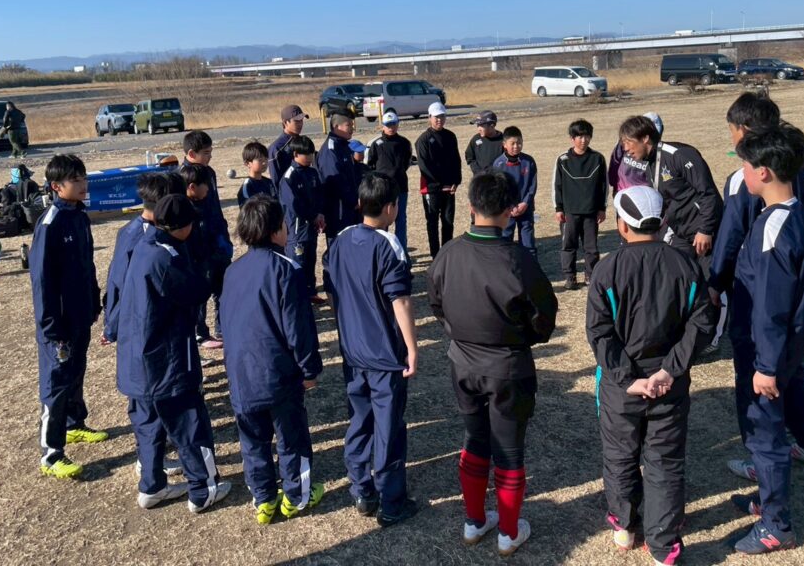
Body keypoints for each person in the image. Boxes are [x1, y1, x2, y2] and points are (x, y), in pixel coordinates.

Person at [427, 171, 557, 556]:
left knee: (474, 438)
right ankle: (508, 532)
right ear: (510, 211)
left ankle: (474, 521)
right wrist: (523, 337)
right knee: (509, 450)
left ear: (470, 207)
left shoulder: (448, 253)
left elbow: (436, 303)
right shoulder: (518, 259)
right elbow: (544, 316)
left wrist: (457, 331)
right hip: (508, 368)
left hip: (463, 364)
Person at [587, 185, 715, 565]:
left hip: (621, 387)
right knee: (664, 461)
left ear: (621, 225)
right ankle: (664, 545)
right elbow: (702, 323)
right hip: (668, 385)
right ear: (663, 223)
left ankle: (624, 526)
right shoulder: (686, 265)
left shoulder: (607, 269)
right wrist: (670, 369)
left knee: (620, 455)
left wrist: (629, 378)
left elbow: (599, 333)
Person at [724, 126, 804, 555]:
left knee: (766, 435)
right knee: (767, 431)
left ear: (763, 172)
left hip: (767, 353)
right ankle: (767, 498)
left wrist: (765, 366)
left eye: (745, 165)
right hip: (780, 348)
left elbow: (771, 306)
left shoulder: (774, 228)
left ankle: (776, 525)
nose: (742, 173)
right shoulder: (794, 211)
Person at [118, 194, 231, 513]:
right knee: (189, 421)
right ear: (181, 226)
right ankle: (204, 488)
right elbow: (196, 291)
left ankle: (152, 485)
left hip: (137, 359)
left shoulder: (146, 246)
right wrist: (211, 267)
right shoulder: (165, 259)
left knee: (149, 424)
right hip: (165, 360)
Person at [219, 195, 325, 525]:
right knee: (291, 438)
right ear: (277, 229)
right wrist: (309, 368)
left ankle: (263, 498)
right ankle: (296, 496)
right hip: (278, 374)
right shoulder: (286, 269)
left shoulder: (232, 271)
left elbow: (225, 323)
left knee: (253, 440)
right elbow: (298, 328)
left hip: (241, 373)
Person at [323, 172, 420, 527]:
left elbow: (331, 290)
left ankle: (361, 488)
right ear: (391, 208)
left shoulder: (340, 240)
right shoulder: (388, 245)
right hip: (384, 355)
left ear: (360, 203)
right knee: (388, 426)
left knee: (360, 419)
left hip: (352, 351)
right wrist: (412, 347)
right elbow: (401, 301)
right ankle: (391, 501)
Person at [29, 154, 107, 479]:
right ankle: (51, 453)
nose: (83, 184)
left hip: (79, 316)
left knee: (76, 372)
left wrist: (92, 302)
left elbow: (87, 265)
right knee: (57, 383)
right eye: (75, 180)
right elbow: (42, 281)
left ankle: (75, 424)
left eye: (84, 178)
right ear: (56, 186)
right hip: (58, 324)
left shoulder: (80, 216)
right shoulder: (51, 224)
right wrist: (51, 325)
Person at [708, 94, 784, 353]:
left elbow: (730, 234)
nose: (731, 137)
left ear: (744, 129)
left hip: (751, 282)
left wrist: (716, 281)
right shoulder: (795, 168)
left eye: (731, 130)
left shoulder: (743, 179)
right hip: (792, 278)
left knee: (749, 345)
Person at [618, 115, 722, 261]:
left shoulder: (679, 155)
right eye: (623, 143)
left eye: (628, 142)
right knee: (674, 267)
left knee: (706, 274)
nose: (626, 149)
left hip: (704, 232)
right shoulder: (649, 163)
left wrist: (705, 230)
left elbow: (708, 193)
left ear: (645, 138)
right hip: (681, 233)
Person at [102, 172, 186, 345]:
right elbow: (121, 283)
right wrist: (112, 328)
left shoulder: (132, 230)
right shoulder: (145, 239)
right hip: (145, 324)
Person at [181, 131, 232, 348]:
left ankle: (223, 327)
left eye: (211, 152)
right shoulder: (182, 177)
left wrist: (223, 234)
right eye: (206, 153)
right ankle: (200, 332)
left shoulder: (209, 173)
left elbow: (215, 206)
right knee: (201, 288)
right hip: (197, 244)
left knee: (223, 285)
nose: (210, 157)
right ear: (192, 153)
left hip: (216, 237)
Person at [553, 119, 608, 290]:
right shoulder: (563, 159)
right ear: (572, 138)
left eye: (587, 136)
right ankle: (570, 276)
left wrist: (602, 208)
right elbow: (557, 185)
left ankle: (591, 274)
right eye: (579, 137)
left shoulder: (597, 158)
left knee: (591, 247)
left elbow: (603, 185)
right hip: (570, 211)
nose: (583, 140)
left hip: (591, 211)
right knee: (569, 245)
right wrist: (558, 208)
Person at [279, 135, 325, 300]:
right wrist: (313, 216)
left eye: (312, 153)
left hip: (311, 227)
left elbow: (319, 196)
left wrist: (320, 214)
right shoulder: (289, 177)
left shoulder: (312, 173)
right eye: (306, 154)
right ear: (296, 154)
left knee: (311, 259)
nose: (310, 157)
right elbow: (294, 205)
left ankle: (311, 292)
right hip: (297, 230)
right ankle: (297, 296)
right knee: (297, 261)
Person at [415, 102, 462, 258]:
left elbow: (456, 160)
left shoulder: (450, 136)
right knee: (432, 222)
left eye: (442, 116)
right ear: (429, 117)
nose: (439, 120)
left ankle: (446, 253)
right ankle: (435, 256)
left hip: (449, 188)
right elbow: (424, 167)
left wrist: (456, 182)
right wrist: (439, 185)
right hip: (431, 188)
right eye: (436, 117)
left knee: (448, 221)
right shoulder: (423, 140)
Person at [366, 110, 412, 252]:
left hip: (401, 187)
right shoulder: (376, 144)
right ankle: (383, 251)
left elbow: (407, 162)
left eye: (393, 124)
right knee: (382, 221)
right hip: (382, 189)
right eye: (388, 125)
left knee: (401, 219)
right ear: (383, 126)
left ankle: (401, 251)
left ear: (398, 124)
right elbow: (370, 165)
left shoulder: (404, 143)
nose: (391, 127)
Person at [491, 126, 538, 257]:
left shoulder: (529, 161)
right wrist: (509, 206)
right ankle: (507, 266)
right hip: (507, 210)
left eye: (519, 143)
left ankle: (530, 266)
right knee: (506, 240)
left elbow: (532, 185)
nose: (516, 146)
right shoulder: (498, 164)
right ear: (504, 144)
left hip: (525, 208)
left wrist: (525, 203)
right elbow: (499, 189)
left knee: (528, 242)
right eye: (512, 143)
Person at [317, 112, 360, 246]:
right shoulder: (331, 150)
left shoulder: (344, 146)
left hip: (349, 209)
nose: (352, 128)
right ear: (336, 127)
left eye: (352, 125)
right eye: (348, 125)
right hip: (338, 212)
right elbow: (335, 181)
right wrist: (353, 201)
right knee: (338, 248)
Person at [608, 112, 663, 194]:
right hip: (622, 191)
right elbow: (615, 161)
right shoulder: (624, 145)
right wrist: (613, 183)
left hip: (645, 195)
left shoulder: (659, 153)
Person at [268, 105, 309, 185]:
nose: (300, 124)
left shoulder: (303, 142)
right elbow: (276, 180)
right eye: (296, 121)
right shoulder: (277, 148)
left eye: (301, 120)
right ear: (285, 122)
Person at [237, 142, 277, 206]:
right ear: (247, 163)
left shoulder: (269, 183)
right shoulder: (247, 187)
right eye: (260, 160)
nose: (264, 163)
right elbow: (248, 210)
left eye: (266, 159)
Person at [464, 111, 505, 175]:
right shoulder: (476, 139)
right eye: (478, 125)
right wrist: (478, 172)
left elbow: (507, 161)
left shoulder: (503, 140)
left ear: (492, 126)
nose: (479, 129)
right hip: (480, 178)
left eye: (481, 125)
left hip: (498, 177)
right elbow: (470, 158)